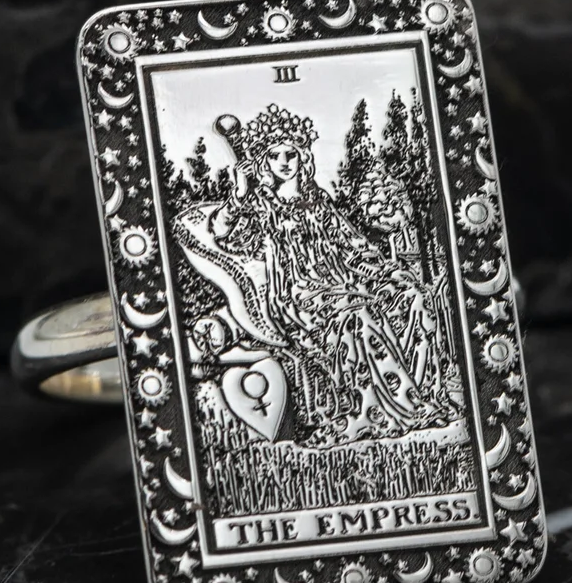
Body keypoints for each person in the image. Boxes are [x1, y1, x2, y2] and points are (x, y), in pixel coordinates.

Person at [174, 104, 456, 446]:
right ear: (264, 162)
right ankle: (379, 410)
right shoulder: (260, 205)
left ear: (301, 156)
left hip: (344, 284)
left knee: (412, 297)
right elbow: (225, 235)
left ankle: (421, 396)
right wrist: (238, 197)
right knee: (356, 316)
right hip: (298, 297)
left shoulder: (318, 201)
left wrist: (386, 273)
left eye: (290, 153)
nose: (284, 162)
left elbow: (351, 245)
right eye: (274, 155)